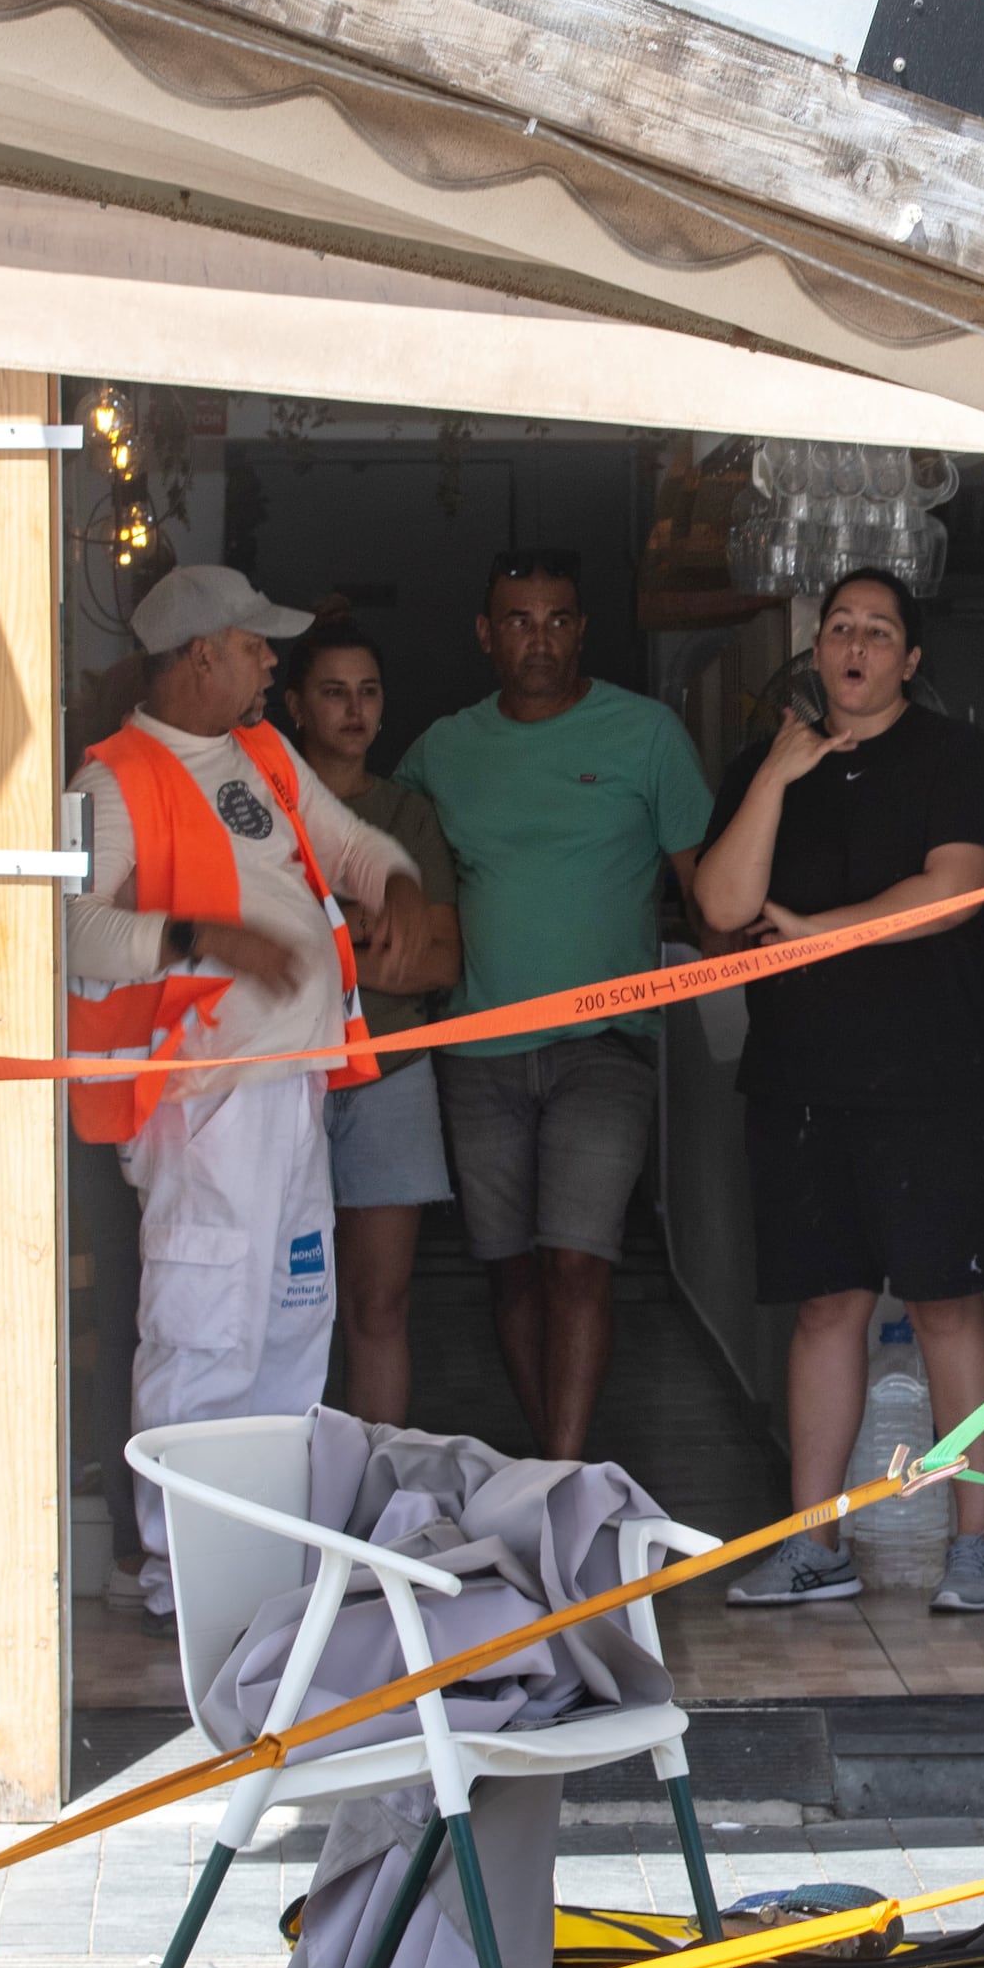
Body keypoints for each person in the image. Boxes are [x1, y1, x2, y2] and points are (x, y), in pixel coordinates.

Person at [74, 564, 416, 1620]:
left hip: (291, 1093)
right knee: (205, 1326)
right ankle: (183, 1568)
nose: (275, 660)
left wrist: (394, 880)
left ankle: (264, 1555)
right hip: (204, 1103)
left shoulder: (263, 755)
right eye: (257, 644)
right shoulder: (107, 784)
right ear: (199, 656)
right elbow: (70, 928)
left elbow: (353, 846)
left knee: (285, 1329)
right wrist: (193, 937)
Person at [690, 567, 984, 1615]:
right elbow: (719, 902)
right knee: (824, 1306)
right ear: (816, 649)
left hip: (933, 1075)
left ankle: (975, 1544)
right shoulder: (765, 764)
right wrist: (775, 778)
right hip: (801, 1079)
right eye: (840, 628)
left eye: (879, 633)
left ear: (909, 660)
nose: (855, 647)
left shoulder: (951, 755)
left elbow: (954, 892)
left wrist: (815, 934)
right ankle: (813, 1540)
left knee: (943, 1302)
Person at [396, 548, 710, 1461]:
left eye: (559, 619)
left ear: (584, 630)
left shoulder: (645, 734)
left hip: (604, 1045)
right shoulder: (443, 749)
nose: (541, 639)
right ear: (486, 636)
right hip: (478, 1047)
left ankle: (564, 1475)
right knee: (510, 1272)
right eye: (520, 621)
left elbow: (710, 886)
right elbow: (375, 849)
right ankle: (550, 1468)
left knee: (579, 1259)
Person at [279, 619, 463, 1427]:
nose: (353, 710)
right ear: (294, 705)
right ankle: (284, 1494)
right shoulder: (262, 811)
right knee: (283, 1304)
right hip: (282, 1074)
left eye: (368, 691)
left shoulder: (408, 814)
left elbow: (436, 963)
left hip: (391, 1072)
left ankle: (370, 1495)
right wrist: (365, 931)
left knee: (379, 1305)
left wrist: (326, 934)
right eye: (332, 691)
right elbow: (263, 951)